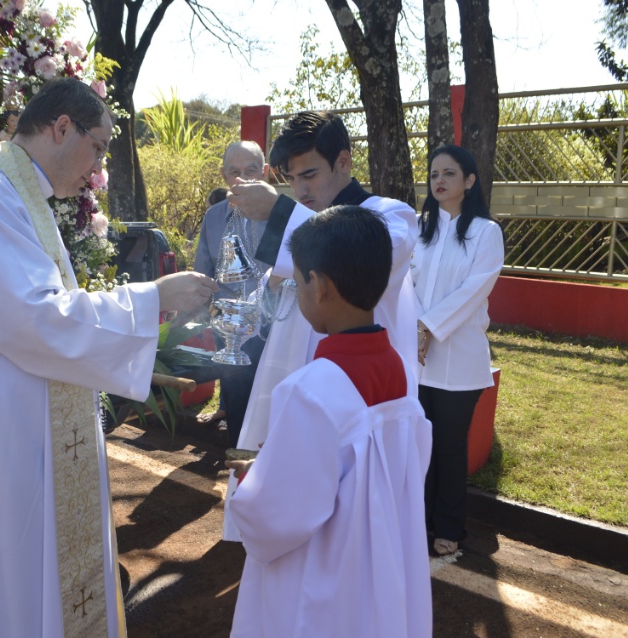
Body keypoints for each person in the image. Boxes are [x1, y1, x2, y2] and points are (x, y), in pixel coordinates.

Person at [0, 78, 218, 638]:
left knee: (37, 582)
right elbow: (36, 318)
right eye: (98, 146)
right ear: (61, 127)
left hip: (24, 428)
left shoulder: (15, 195)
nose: (97, 169)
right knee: (5, 587)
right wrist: (154, 298)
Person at [226, 205, 432, 638]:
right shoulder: (397, 371)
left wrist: (252, 478)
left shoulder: (311, 391)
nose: (299, 291)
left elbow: (274, 518)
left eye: (299, 281)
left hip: (322, 583)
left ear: (318, 286)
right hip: (379, 567)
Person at [221, 111, 420, 541]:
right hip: (297, 378)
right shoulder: (305, 216)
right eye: (291, 179)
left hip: (359, 394)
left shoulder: (391, 216)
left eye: (310, 174)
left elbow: (358, 253)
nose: (301, 190)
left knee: (349, 524)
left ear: (344, 162)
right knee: (286, 518)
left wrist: (279, 210)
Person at [412, 144, 504, 557]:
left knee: (448, 444)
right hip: (416, 356)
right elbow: (404, 284)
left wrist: (430, 325)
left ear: (469, 181)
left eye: (449, 173)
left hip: (458, 358)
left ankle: (448, 526)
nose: (439, 181)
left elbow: (474, 290)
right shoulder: (418, 228)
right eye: (434, 174)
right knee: (418, 442)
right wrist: (415, 325)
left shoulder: (486, 233)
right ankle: (417, 520)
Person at [193, 141, 270, 447]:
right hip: (230, 330)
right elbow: (204, 270)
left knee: (268, 404)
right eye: (233, 171)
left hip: (273, 327)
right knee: (237, 403)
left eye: (251, 170)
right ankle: (239, 472)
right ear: (224, 175)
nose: (241, 179)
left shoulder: (281, 215)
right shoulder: (213, 217)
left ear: (265, 172)